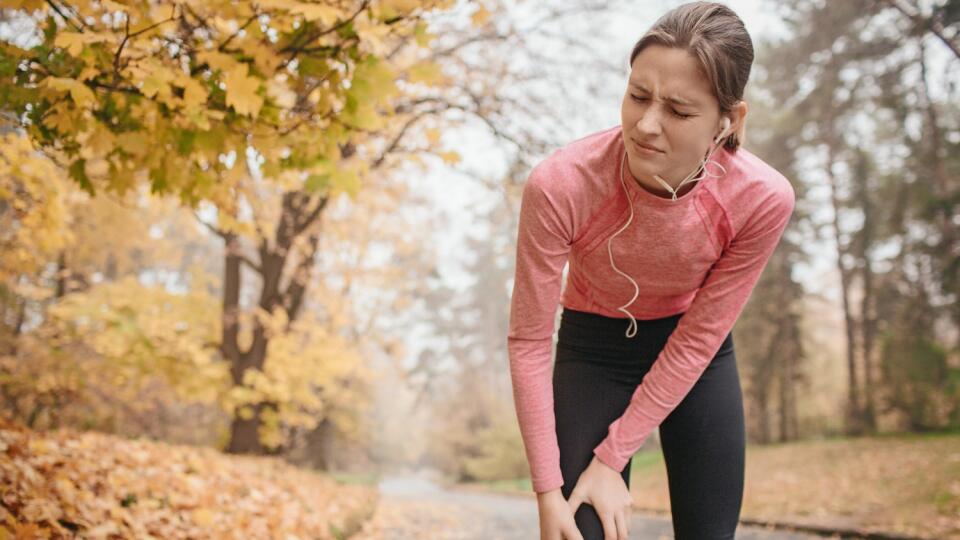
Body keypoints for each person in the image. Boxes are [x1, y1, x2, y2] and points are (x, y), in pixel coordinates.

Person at [506, 2, 796, 539]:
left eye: (679, 111)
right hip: (591, 350)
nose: (646, 125)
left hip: (692, 353)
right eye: (638, 96)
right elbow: (528, 341)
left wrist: (613, 457)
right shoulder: (561, 184)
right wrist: (548, 494)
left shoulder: (760, 199)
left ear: (729, 120)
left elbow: (699, 339)